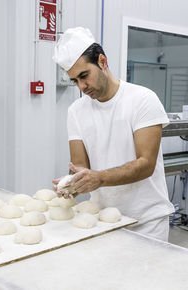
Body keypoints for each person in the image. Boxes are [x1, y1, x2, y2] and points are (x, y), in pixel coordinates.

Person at [52, 27, 174, 241]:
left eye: (84, 75)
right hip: (102, 220)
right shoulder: (76, 111)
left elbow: (146, 164)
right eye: (75, 81)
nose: (82, 86)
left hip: (147, 222)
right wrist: (75, 181)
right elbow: (80, 164)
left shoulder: (142, 99)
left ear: (102, 61)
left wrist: (98, 178)